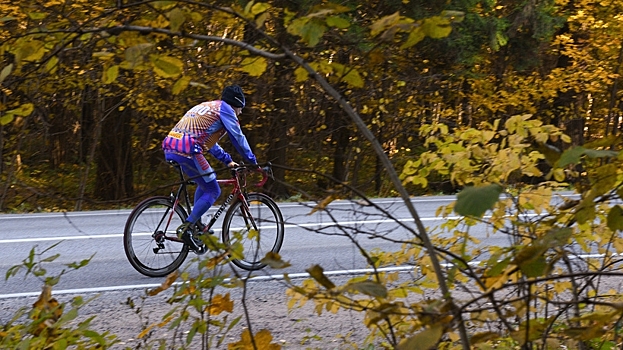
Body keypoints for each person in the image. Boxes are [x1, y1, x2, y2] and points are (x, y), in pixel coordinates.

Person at [162, 85, 258, 252]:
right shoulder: (227, 110)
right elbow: (238, 137)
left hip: (171, 146)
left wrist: (227, 160)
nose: (240, 113)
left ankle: (196, 225)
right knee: (213, 190)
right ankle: (187, 228)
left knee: (204, 183)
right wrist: (253, 162)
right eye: (241, 109)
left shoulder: (210, 106)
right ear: (236, 104)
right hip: (189, 151)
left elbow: (208, 143)